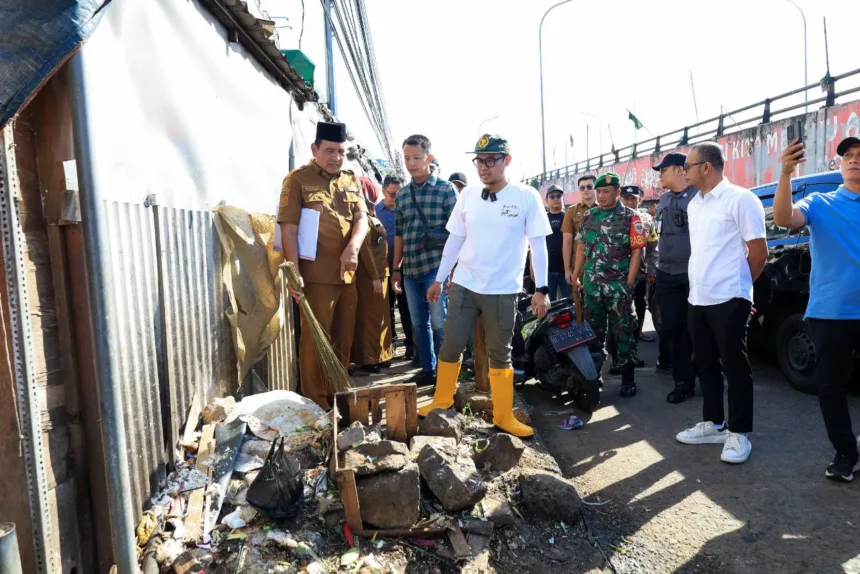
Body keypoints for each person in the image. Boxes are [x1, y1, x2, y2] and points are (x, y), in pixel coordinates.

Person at [419, 134, 552, 437]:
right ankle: (441, 401)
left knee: (500, 353)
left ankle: (503, 415)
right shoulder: (467, 195)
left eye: (491, 159)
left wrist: (542, 289)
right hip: (464, 284)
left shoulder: (526, 196)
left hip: (503, 289)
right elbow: (455, 239)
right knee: (451, 344)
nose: (484, 166)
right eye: (479, 160)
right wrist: (440, 278)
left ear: (507, 160)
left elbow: (538, 246)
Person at [773, 136, 860, 481]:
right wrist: (785, 174)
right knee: (832, 386)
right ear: (839, 165)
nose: (854, 160)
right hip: (831, 312)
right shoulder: (821, 202)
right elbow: (783, 218)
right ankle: (845, 453)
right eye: (849, 156)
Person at [675, 142, 767, 465]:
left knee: (735, 365)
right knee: (705, 363)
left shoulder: (741, 200)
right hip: (698, 298)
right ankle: (714, 423)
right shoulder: (694, 205)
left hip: (729, 298)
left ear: (706, 167)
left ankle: (739, 433)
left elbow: (758, 253)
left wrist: (742, 290)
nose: (684, 172)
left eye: (687, 166)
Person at [278, 121, 368, 409]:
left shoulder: (351, 180)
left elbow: (361, 220)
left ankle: (336, 396)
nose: (336, 158)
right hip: (315, 278)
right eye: (330, 151)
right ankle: (315, 404)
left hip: (347, 275)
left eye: (341, 152)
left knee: (344, 339)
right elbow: (288, 229)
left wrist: (353, 247)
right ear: (315, 148)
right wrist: (293, 273)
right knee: (316, 341)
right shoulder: (298, 180)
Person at [573, 172, 646, 397]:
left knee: (624, 332)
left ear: (617, 192)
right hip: (592, 287)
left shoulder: (631, 217)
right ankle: (595, 378)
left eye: (606, 191)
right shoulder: (589, 217)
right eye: (599, 192)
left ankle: (628, 378)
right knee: (594, 334)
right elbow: (582, 248)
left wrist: (629, 283)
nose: (601, 196)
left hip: (618, 288)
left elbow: (637, 252)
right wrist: (576, 274)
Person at [392, 135, 458, 385]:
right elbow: (399, 233)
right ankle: (428, 369)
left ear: (429, 158)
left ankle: (446, 373)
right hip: (410, 270)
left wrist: (451, 271)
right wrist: (395, 269)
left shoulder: (446, 190)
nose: (411, 163)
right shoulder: (403, 195)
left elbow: (459, 233)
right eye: (407, 158)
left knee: (440, 322)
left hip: (436, 269)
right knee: (419, 323)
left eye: (417, 158)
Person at [652, 152, 698, 402]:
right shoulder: (664, 200)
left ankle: (704, 369)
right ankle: (683, 380)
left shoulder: (699, 198)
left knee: (698, 329)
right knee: (671, 328)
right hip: (666, 273)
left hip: (693, 273)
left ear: (681, 170)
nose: (660, 175)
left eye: (664, 169)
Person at [606, 185, 656, 374]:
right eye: (626, 198)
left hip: (641, 275)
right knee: (616, 318)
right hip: (618, 276)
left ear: (640, 199)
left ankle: (632, 354)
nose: (629, 202)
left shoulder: (647, 219)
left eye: (633, 198)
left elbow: (652, 247)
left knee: (638, 313)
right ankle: (616, 358)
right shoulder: (613, 218)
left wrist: (652, 271)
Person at [353, 177, 394, 374]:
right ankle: (369, 359)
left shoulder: (372, 212)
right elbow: (366, 250)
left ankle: (382, 354)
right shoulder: (362, 217)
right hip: (371, 277)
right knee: (369, 318)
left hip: (381, 273)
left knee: (381, 317)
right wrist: (374, 277)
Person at [376, 175, 416, 362]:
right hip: (383, 270)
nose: (396, 199)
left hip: (405, 269)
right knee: (386, 309)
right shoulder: (375, 213)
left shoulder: (409, 211)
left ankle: (411, 346)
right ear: (383, 191)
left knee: (407, 309)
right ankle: (390, 347)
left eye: (400, 194)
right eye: (392, 194)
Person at [562, 174, 597, 287]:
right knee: (579, 302)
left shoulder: (604, 209)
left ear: (595, 187)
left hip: (601, 266)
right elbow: (567, 242)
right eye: (582, 188)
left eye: (589, 187)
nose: (585, 190)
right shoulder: (572, 211)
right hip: (578, 266)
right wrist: (567, 269)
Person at [545, 185, 571, 300]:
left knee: (569, 304)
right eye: (552, 196)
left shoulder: (569, 217)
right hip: (548, 270)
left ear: (563, 198)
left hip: (566, 270)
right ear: (546, 200)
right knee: (549, 306)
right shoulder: (542, 218)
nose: (556, 198)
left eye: (559, 195)